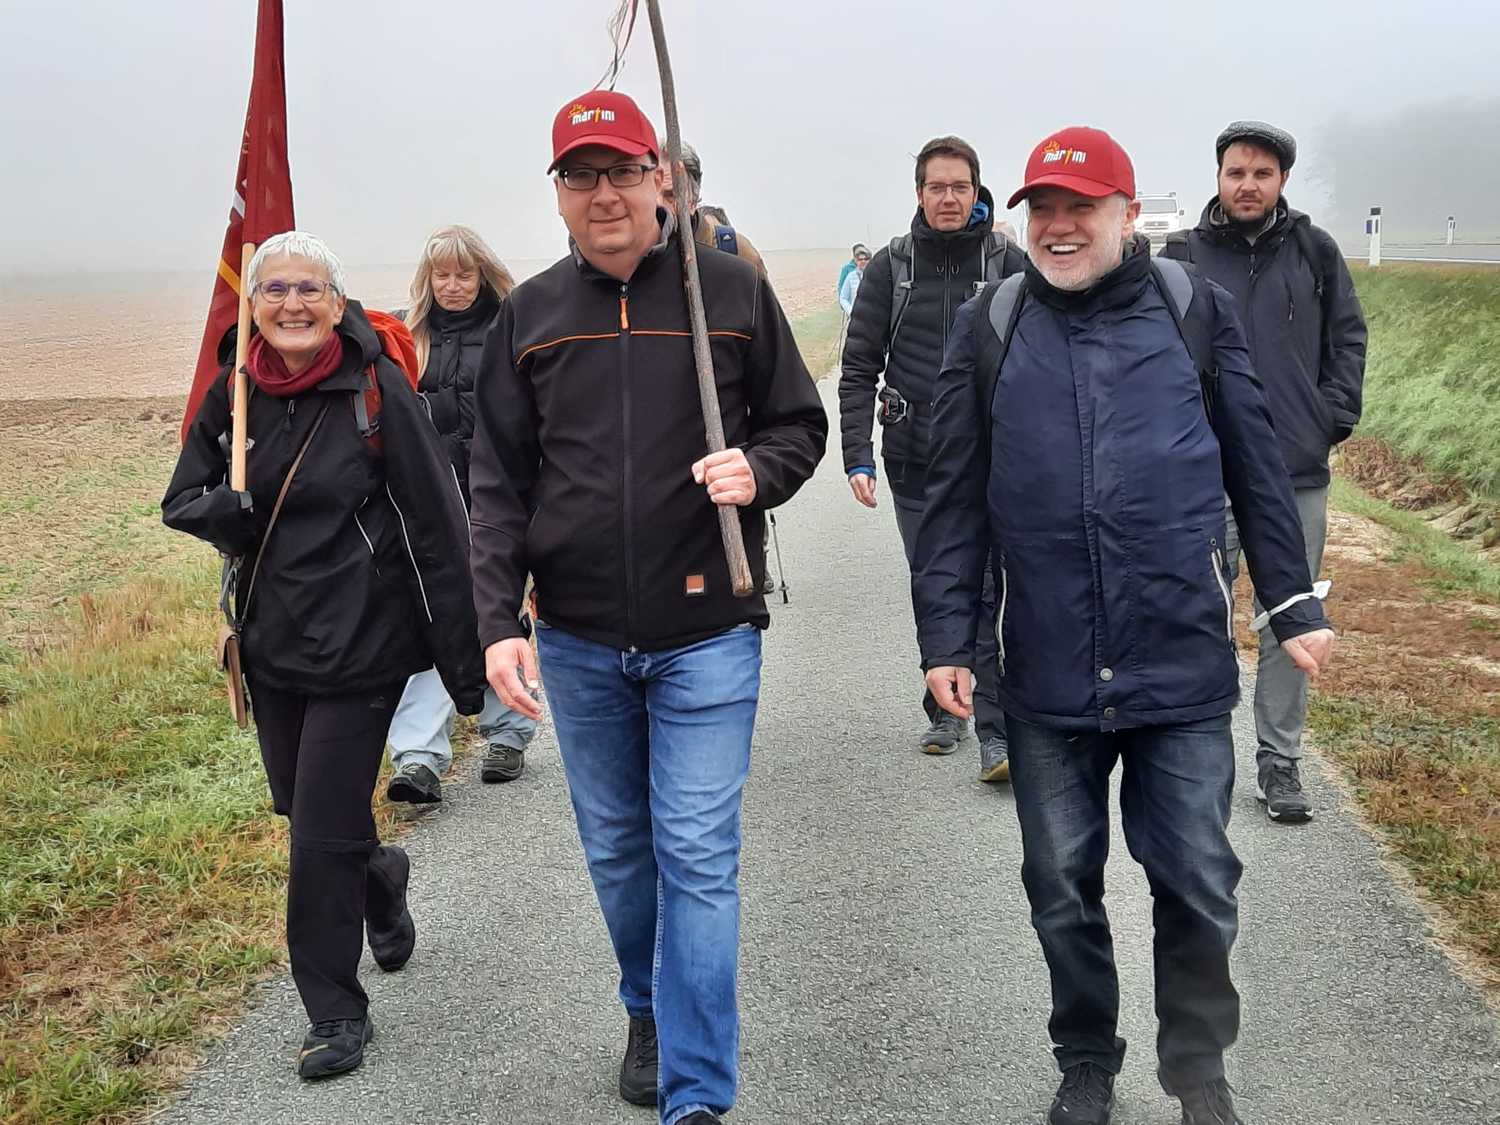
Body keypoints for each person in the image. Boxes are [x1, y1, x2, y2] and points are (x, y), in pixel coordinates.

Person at [917, 127, 1336, 1125]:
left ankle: (1197, 1068)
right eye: (1044, 210)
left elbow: (1256, 466)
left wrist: (1290, 601)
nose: (1060, 227)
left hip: (1178, 658)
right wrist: (947, 639)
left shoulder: (1194, 310)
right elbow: (953, 497)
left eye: (1083, 207)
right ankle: (1085, 1059)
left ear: (1125, 212)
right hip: (1048, 666)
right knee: (1061, 883)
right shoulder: (991, 325)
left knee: (1199, 881)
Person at [468, 90, 826, 1125]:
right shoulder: (529, 317)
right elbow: (497, 484)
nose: (604, 194)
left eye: (623, 170)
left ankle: (696, 1094)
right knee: (621, 855)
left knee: (698, 857)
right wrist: (497, 622)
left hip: (707, 633)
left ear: (658, 179)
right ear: (558, 194)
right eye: (580, 176)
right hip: (577, 638)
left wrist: (757, 470)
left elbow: (799, 425)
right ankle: (648, 1007)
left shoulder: (732, 291)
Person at [163, 231, 486, 1079]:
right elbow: (181, 497)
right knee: (305, 812)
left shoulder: (375, 389)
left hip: (363, 641)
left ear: (338, 305)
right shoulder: (233, 391)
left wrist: (466, 659)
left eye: (310, 288)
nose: (293, 303)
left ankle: (334, 1008)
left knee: (316, 835)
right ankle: (380, 875)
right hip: (271, 643)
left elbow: (438, 522)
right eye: (274, 289)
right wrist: (225, 514)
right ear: (254, 306)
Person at [1162, 120, 1367, 824]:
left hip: (1293, 470)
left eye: (1262, 174)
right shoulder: (1181, 256)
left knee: (1291, 613)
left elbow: (1348, 337)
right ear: (1218, 177)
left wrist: (1330, 416)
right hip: (1204, 470)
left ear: (1282, 181)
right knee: (1200, 613)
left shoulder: (1315, 250)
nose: (1248, 185)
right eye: (1236, 173)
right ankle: (1202, 750)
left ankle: (1280, 760)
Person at [838, 135, 1024, 779]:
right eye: (937, 187)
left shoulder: (1007, 262)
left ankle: (998, 729)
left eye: (959, 187)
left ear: (976, 192)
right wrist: (857, 454)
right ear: (919, 193)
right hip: (913, 457)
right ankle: (945, 707)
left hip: (996, 459)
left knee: (992, 589)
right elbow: (858, 366)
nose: (949, 198)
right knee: (935, 580)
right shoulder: (892, 268)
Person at [384, 226, 538, 803]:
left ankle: (509, 732)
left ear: (482, 276)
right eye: (441, 275)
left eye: (463, 274)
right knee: (428, 617)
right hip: (428, 503)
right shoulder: (406, 336)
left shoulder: (511, 330)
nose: (452, 286)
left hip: (495, 497)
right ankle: (417, 756)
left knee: (499, 608)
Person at [658, 139, 767, 277]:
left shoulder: (737, 254)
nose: (658, 204)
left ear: (692, 202)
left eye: (671, 195)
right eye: (651, 192)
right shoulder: (636, 258)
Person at [838, 245, 870, 315]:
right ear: (855, 260)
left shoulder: (876, 275)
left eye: (866, 259)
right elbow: (843, 297)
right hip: (856, 316)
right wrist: (851, 311)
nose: (863, 261)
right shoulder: (850, 276)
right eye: (860, 259)